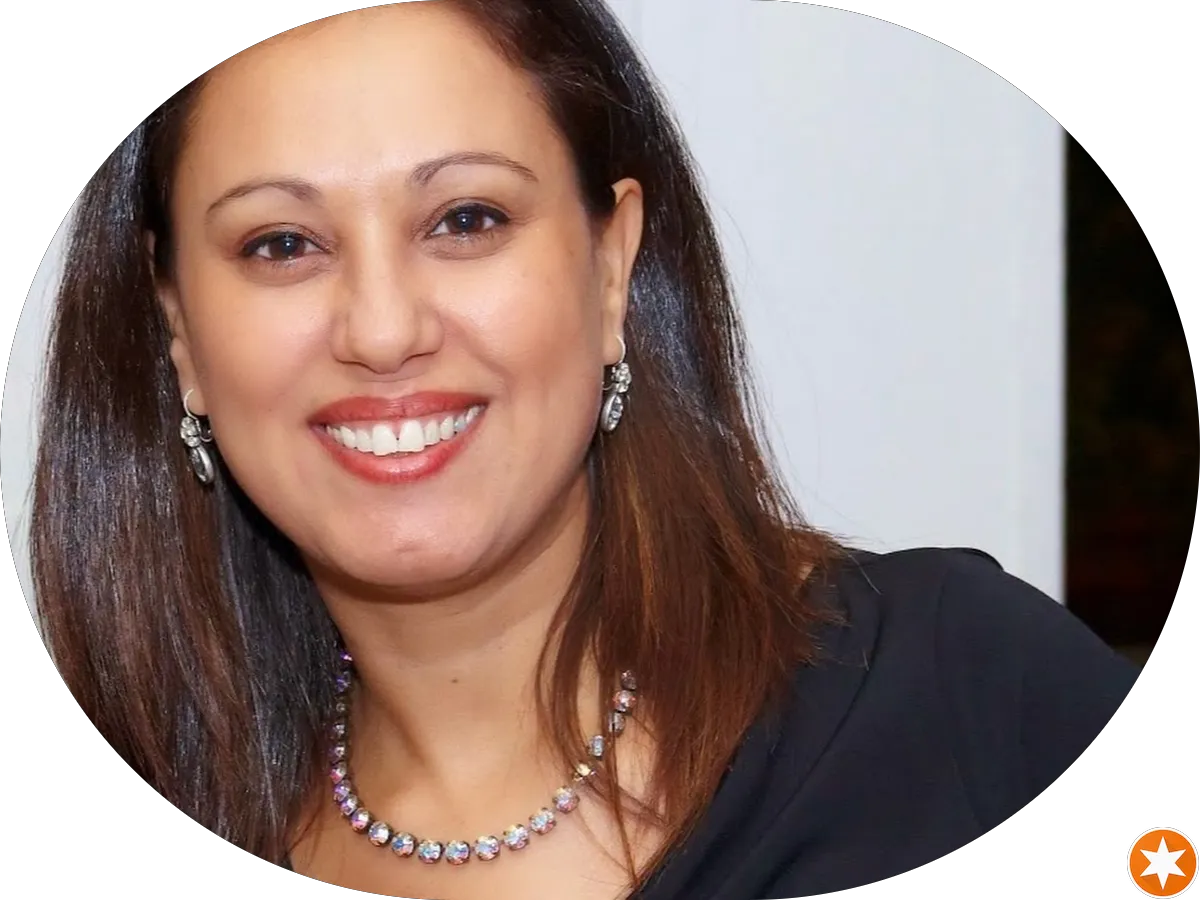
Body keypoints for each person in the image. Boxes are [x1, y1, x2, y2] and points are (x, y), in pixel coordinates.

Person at [27, 2, 1138, 898]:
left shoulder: (961, 691)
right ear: (180, 334)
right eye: (282, 243)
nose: (383, 329)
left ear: (611, 270)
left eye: (466, 220)